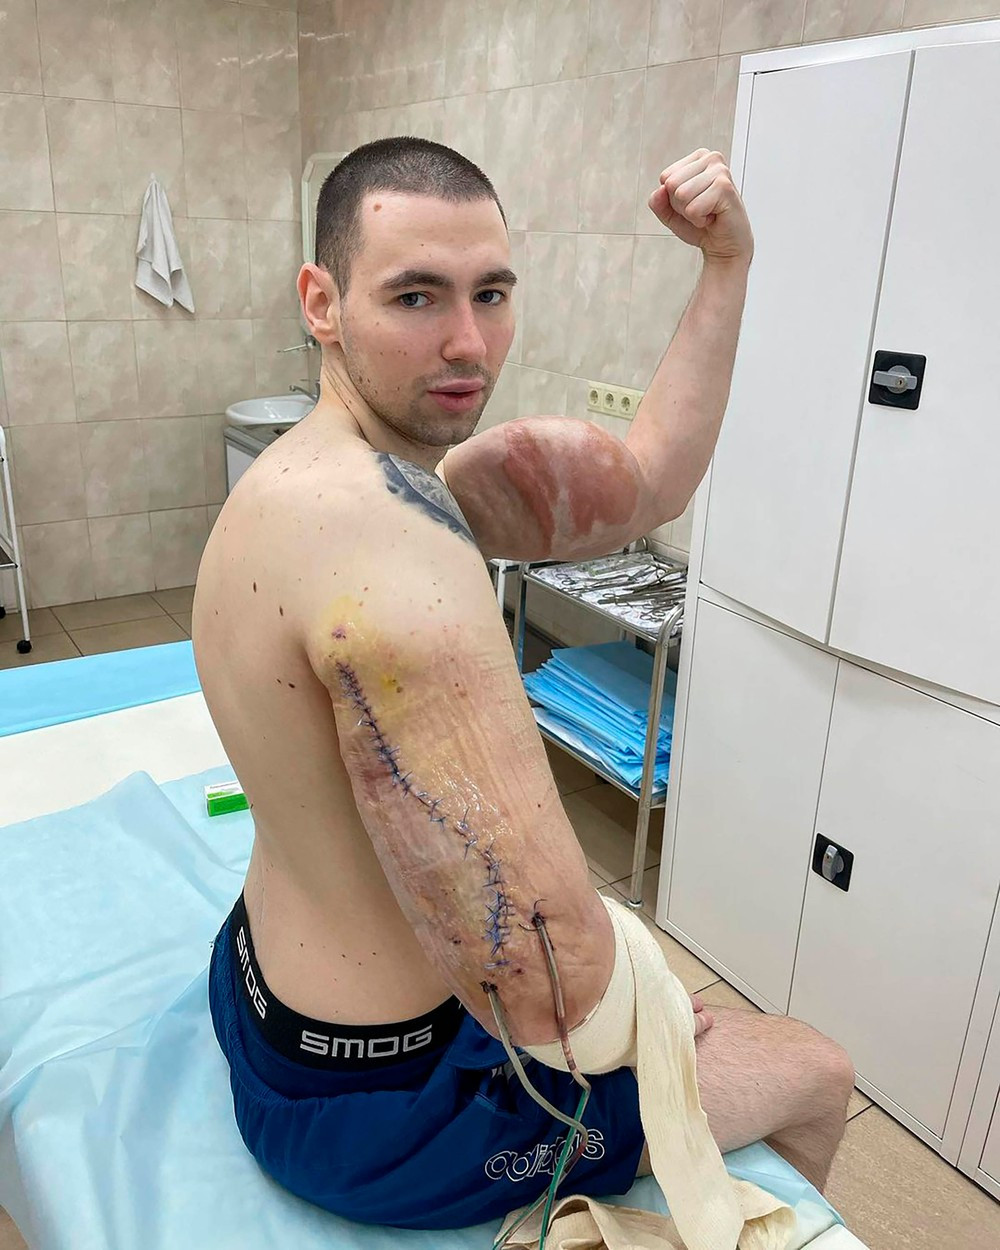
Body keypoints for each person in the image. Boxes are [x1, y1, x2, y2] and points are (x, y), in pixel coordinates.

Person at [194, 137, 854, 1230]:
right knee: (816, 1068)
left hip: (258, 981)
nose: (468, 342)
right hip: (380, 1105)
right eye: (415, 296)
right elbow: (552, 988)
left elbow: (645, 482)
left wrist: (725, 266)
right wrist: (646, 1004)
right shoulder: (397, 561)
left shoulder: (318, 474)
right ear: (321, 302)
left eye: (490, 294)